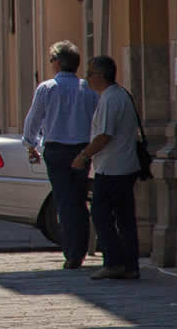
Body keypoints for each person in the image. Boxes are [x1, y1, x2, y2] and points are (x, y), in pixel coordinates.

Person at [22, 39, 99, 270]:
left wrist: (30, 144)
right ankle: (80, 249)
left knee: (65, 201)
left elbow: (33, 120)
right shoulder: (89, 90)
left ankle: (73, 253)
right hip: (83, 150)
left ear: (57, 62)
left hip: (57, 150)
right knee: (78, 199)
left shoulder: (47, 88)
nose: (51, 64)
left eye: (51, 60)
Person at [72, 52, 142, 279]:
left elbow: (103, 136)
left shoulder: (111, 98)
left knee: (101, 216)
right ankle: (130, 265)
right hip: (123, 166)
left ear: (101, 75)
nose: (87, 78)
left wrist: (83, 156)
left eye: (90, 74)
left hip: (112, 168)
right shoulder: (120, 95)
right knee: (124, 218)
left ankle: (114, 262)